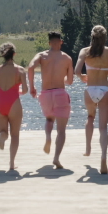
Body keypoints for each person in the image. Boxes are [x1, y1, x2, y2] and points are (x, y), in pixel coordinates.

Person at [74, 25, 108, 174]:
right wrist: (106, 70)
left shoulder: (85, 51)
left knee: (90, 117)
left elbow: (77, 71)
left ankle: (88, 148)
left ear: (92, 36)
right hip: (105, 89)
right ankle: (103, 157)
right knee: (103, 127)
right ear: (105, 37)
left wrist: (82, 77)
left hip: (90, 89)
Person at [27, 31, 74, 169]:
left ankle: (48, 136)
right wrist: (63, 79)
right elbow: (70, 81)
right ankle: (56, 158)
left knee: (49, 119)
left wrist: (32, 87)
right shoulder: (67, 58)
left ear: (49, 43)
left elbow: (30, 68)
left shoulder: (42, 55)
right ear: (61, 42)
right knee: (61, 130)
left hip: (46, 93)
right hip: (60, 92)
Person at [0, 42, 28, 170]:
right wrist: (18, 92)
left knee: (3, 132)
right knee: (15, 135)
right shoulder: (20, 70)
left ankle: (2, 136)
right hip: (14, 102)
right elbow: (25, 90)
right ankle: (11, 164)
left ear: (3, 55)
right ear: (14, 54)